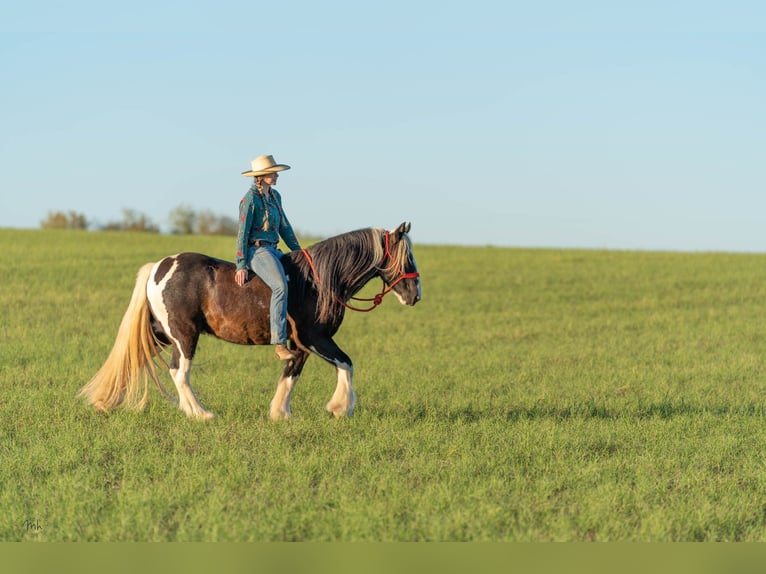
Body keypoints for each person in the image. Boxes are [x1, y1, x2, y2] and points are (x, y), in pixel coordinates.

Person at [235, 155, 302, 361]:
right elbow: (242, 233)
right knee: (280, 286)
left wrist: (300, 253)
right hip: (258, 251)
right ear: (261, 176)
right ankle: (279, 343)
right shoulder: (249, 200)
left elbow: (284, 227)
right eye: (273, 173)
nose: (276, 175)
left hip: (275, 248)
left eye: (276, 172)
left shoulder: (275, 197)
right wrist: (241, 264)